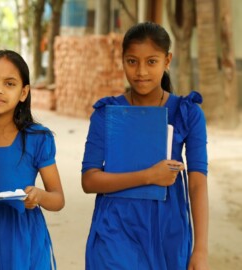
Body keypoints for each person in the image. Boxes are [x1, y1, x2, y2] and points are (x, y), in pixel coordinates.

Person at [81, 22, 208, 269]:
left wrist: (200, 249)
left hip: (168, 226)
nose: (141, 71)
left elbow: (197, 183)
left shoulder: (188, 113)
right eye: (132, 61)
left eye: (151, 61)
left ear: (167, 60)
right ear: (122, 60)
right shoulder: (106, 114)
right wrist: (149, 176)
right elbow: (89, 180)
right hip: (114, 226)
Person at [0, 50, 65, 270]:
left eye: (9, 84)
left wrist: (38, 196)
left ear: (23, 92)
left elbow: (58, 199)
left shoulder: (37, 138)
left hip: (23, 236)